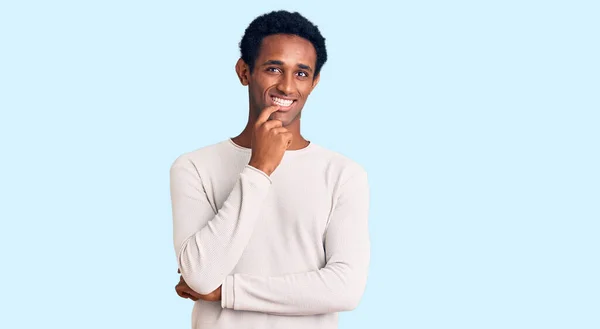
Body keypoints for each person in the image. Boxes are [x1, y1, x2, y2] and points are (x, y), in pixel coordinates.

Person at [170, 10, 370, 329]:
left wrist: (228, 292)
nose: (287, 86)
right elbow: (200, 275)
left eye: (301, 73)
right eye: (274, 68)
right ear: (244, 71)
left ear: (315, 81)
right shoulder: (193, 167)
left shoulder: (344, 174)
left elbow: (345, 289)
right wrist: (258, 169)